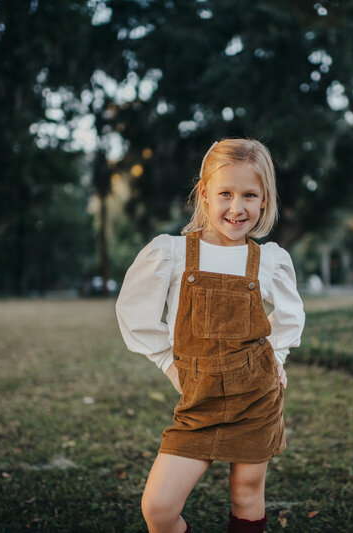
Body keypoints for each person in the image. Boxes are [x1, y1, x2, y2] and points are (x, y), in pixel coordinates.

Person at [116, 138, 305, 533]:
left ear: (265, 200)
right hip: (199, 401)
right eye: (226, 193)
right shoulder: (172, 253)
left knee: (247, 492)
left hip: (256, 398)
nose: (237, 207)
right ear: (204, 194)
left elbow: (290, 318)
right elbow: (135, 315)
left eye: (249, 195)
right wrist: (170, 364)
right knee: (158, 508)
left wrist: (277, 360)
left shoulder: (268, 259)